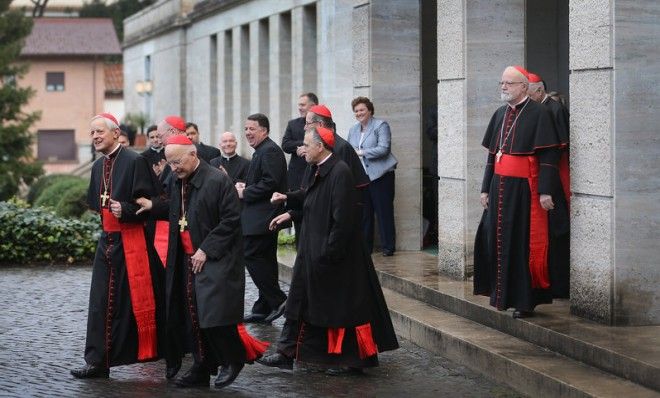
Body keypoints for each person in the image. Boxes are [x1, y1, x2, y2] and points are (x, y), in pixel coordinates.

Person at [261, 126, 398, 374]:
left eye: (306, 145)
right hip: (312, 252)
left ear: (320, 146)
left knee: (341, 312)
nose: (302, 150)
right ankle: (286, 352)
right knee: (298, 302)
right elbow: (312, 199)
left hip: (334, 256)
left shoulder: (340, 172)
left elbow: (342, 219)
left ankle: (352, 361)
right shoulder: (319, 169)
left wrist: (329, 254)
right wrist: (288, 206)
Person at [135, 135, 268, 388]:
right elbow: (176, 209)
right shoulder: (177, 180)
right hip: (186, 259)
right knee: (190, 315)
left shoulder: (217, 181)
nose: (174, 169)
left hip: (216, 259)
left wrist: (206, 249)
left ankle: (233, 358)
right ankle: (201, 366)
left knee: (214, 314)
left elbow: (230, 221)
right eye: (170, 164)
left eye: (177, 163)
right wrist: (152, 204)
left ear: (193, 155)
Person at [71, 113, 163, 379]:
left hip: (132, 242)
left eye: (100, 131)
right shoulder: (99, 166)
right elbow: (96, 205)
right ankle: (98, 361)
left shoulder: (136, 161)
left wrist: (126, 209)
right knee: (100, 302)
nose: (96, 137)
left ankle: (162, 354)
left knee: (131, 304)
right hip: (107, 242)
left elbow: (155, 202)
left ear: (115, 133)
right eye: (92, 133)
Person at [473, 65, 565, 319]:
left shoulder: (539, 113)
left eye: (509, 83)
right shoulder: (500, 113)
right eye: (501, 83)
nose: (503, 87)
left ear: (524, 87)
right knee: (494, 239)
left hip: (524, 190)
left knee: (520, 243)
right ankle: (500, 295)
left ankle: (524, 301)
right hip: (498, 186)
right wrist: (484, 188)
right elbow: (493, 155)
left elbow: (548, 156)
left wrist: (545, 191)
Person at [236, 113, 288, 324]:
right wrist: (246, 186)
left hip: (263, 217)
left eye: (252, 129)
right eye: (246, 128)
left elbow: (271, 183)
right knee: (265, 259)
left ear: (264, 131)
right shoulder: (262, 150)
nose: (248, 132)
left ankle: (278, 300)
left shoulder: (269, 151)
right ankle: (263, 307)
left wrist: (245, 193)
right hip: (260, 216)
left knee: (253, 256)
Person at [528, 72, 571, 298]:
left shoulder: (552, 109)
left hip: (555, 177)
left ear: (539, 90)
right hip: (548, 175)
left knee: (558, 229)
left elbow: (558, 147)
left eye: (529, 91)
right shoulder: (541, 108)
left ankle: (560, 285)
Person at [347, 96, 398, 256]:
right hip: (362, 178)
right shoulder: (353, 130)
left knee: (384, 213)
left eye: (362, 109)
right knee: (364, 215)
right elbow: (349, 151)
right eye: (356, 111)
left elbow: (384, 149)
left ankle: (388, 247)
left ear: (369, 110)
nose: (359, 113)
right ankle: (365, 248)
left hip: (381, 176)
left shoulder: (380, 125)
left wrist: (361, 153)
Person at [282, 92, 318, 191]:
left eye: (302, 105)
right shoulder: (292, 124)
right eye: (299, 105)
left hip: (316, 172)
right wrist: (304, 144)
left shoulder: (323, 123)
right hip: (296, 176)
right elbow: (285, 145)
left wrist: (307, 146)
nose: (299, 108)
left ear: (313, 106)